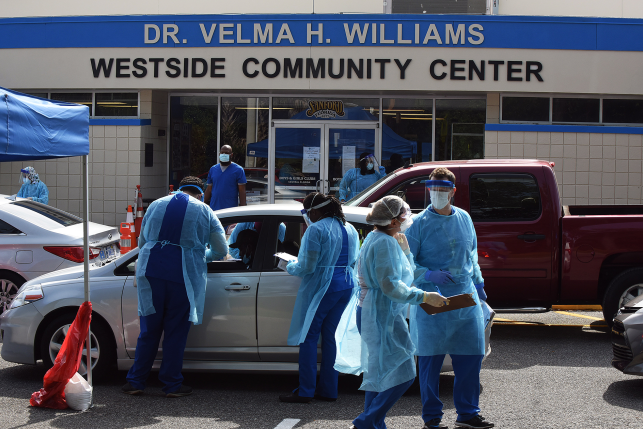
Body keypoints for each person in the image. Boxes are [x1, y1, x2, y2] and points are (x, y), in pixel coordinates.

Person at [334, 196, 448, 429]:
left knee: (377, 374)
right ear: (394, 220)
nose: (408, 219)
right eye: (404, 215)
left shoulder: (379, 238)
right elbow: (391, 285)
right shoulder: (384, 243)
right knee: (405, 372)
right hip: (380, 314)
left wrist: (405, 252)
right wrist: (425, 296)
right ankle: (366, 421)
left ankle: (373, 423)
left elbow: (397, 274)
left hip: (375, 312)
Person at [122, 176, 228, 398]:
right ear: (199, 193)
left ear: (178, 189)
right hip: (183, 276)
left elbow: (142, 243)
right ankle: (171, 384)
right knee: (175, 331)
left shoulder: (156, 204)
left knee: (149, 330)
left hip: (150, 273)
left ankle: (136, 381)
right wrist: (199, 255)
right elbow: (220, 250)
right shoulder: (205, 210)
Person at [405, 167, 493, 429]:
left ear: (453, 191)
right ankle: (432, 416)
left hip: (465, 299)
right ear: (428, 189)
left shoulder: (464, 218)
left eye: (443, 189)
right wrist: (429, 274)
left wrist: (479, 287)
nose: (438, 194)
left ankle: (467, 412)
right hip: (433, 299)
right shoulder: (418, 224)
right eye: (434, 189)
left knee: (470, 358)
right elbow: (406, 264)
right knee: (430, 361)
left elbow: (471, 255)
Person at [279, 193, 360, 403]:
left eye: (306, 212)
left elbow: (307, 266)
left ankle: (305, 390)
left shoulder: (316, 229)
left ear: (314, 211)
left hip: (325, 286)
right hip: (346, 285)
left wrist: (288, 265)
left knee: (307, 336)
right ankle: (329, 390)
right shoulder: (349, 228)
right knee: (331, 338)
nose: (307, 217)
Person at [204, 145, 247, 211]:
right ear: (219, 154)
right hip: (214, 209)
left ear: (231, 155)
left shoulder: (238, 170)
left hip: (230, 210)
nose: (224, 155)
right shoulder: (213, 169)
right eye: (222, 153)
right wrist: (201, 204)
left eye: (226, 153)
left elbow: (242, 191)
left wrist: (243, 209)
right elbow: (209, 189)